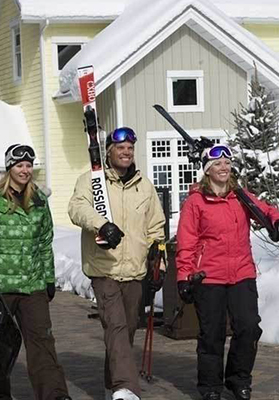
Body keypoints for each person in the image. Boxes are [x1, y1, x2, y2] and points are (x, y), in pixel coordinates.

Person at [175, 144, 279, 400]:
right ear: (207, 170)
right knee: (212, 334)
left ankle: (238, 378)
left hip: (242, 273)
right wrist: (183, 277)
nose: (224, 168)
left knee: (249, 327)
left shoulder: (240, 196)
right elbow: (186, 242)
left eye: (227, 164)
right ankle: (210, 387)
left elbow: (266, 211)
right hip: (208, 277)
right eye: (218, 164)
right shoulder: (195, 202)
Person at [0, 144, 72, 400]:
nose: (25, 170)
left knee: (42, 344)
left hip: (32, 285)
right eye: (19, 165)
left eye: (28, 165)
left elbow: (45, 242)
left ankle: (55, 395)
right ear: (9, 168)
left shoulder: (39, 201)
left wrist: (48, 279)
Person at [68, 127, 166, 400]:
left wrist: (160, 264)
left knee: (127, 329)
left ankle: (111, 385)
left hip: (135, 271)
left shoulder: (144, 186)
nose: (126, 152)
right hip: (104, 268)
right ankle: (126, 388)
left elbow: (156, 227)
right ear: (108, 151)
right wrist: (102, 224)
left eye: (130, 148)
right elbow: (77, 208)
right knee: (116, 326)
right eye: (120, 147)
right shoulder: (92, 181)